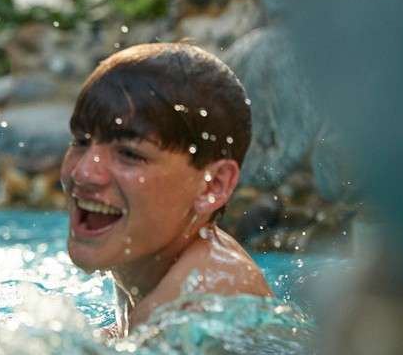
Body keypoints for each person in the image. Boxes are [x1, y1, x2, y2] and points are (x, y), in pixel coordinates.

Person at [61, 43, 272, 336]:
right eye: (81, 141)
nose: (83, 173)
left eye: (130, 154)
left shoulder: (204, 297)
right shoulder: (153, 266)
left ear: (212, 184)